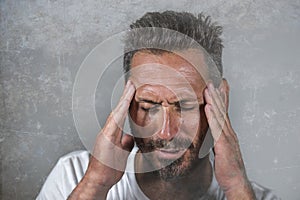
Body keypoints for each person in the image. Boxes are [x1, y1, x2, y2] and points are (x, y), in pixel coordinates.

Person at [37, 11, 279, 200]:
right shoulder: (72, 177)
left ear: (221, 99)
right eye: (149, 105)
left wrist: (236, 187)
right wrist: (96, 184)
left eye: (185, 106)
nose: (166, 132)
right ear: (127, 101)